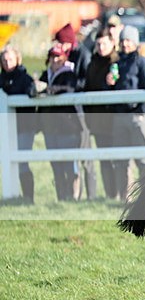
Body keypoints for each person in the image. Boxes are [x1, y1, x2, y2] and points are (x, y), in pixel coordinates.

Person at [110, 25, 145, 200]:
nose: (125, 44)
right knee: (121, 160)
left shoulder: (143, 60)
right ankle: (125, 197)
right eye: (122, 40)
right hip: (120, 115)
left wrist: (142, 112)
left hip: (138, 116)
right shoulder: (118, 62)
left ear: (135, 42)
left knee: (142, 159)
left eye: (128, 40)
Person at [53, 23, 96, 199]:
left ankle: (91, 196)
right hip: (69, 114)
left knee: (86, 158)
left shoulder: (83, 55)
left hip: (81, 113)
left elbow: (86, 81)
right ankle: (75, 195)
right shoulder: (67, 55)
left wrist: (67, 87)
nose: (59, 47)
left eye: (62, 43)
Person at [39, 46, 82, 201]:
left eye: (58, 57)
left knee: (70, 164)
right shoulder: (46, 74)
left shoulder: (69, 74)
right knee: (56, 165)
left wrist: (49, 90)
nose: (55, 60)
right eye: (52, 57)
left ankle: (74, 196)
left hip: (68, 126)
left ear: (64, 58)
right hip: (50, 127)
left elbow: (69, 89)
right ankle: (61, 198)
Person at [83, 27, 120, 199]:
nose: (101, 47)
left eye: (104, 43)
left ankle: (121, 192)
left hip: (114, 118)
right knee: (104, 160)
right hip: (98, 120)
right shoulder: (93, 63)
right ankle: (110, 194)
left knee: (117, 159)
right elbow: (88, 88)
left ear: (111, 43)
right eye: (98, 43)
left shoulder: (116, 62)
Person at [1, 45, 38, 202]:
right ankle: (12, 196)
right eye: (4, 60)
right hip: (5, 129)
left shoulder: (25, 78)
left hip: (23, 127)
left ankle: (28, 198)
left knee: (22, 163)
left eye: (10, 59)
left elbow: (31, 95)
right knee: (7, 162)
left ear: (17, 59)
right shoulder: (1, 79)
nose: (7, 63)